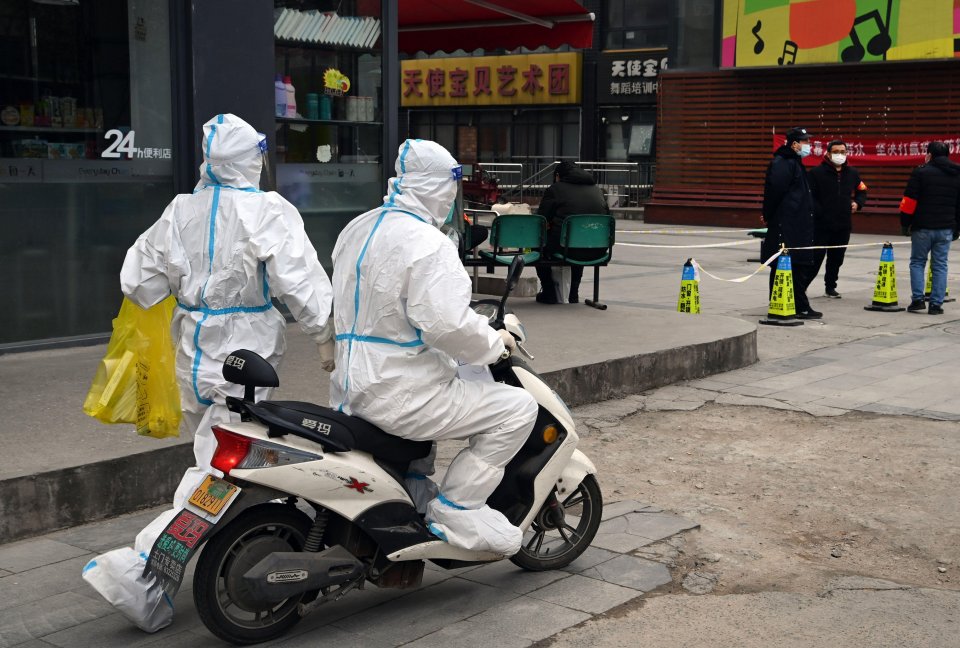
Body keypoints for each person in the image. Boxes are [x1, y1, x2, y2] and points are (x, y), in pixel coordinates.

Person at [83, 113, 335, 632]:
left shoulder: (180, 210)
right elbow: (302, 285)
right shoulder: (267, 210)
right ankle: (144, 568)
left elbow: (138, 280)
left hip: (193, 350)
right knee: (219, 471)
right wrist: (327, 336)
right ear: (253, 159)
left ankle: (200, 552)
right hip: (245, 353)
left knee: (212, 457)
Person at [330, 139, 538, 556]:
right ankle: (457, 509)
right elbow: (446, 325)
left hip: (352, 387)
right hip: (399, 391)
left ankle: (415, 502)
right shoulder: (428, 242)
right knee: (517, 409)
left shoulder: (359, 227)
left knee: (441, 400)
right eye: (450, 186)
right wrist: (492, 347)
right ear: (438, 187)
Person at [762, 126, 820, 319]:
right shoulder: (783, 162)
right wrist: (769, 215)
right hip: (786, 224)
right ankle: (784, 304)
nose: (809, 146)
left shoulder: (794, 162)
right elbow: (774, 192)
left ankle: (797, 304)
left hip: (797, 223)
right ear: (795, 144)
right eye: (806, 142)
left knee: (796, 265)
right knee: (785, 263)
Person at [535, 160, 610, 304]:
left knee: (538, 244)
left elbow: (541, 219)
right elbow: (606, 216)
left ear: (557, 176)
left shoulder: (555, 189)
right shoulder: (597, 190)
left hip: (566, 249)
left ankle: (549, 292)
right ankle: (573, 294)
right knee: (579, 239)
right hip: (597, 249)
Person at [900, 141, 960, 315]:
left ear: (929, 155)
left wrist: (905, 224)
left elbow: (909, 201)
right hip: (946, 228)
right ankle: (936, 305)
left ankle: (918, 301)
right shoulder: (956, 174)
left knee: (918, 262)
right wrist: (957, 227)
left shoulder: (921, 172)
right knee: (940, 265)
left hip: (922, 228)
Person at [808, 140, 868, 298]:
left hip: (843, 224)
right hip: (821, 225)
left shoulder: (852, 173)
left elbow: (862, 191)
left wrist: (858, 203)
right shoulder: (816, 173)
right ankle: (801, 287)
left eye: (843, 152)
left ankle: (830, 287)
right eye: (836, 152)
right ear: (828, 153)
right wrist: (820, 212)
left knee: (836, 258)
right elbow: (809, 197)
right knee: (815, 259)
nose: (840, 155)